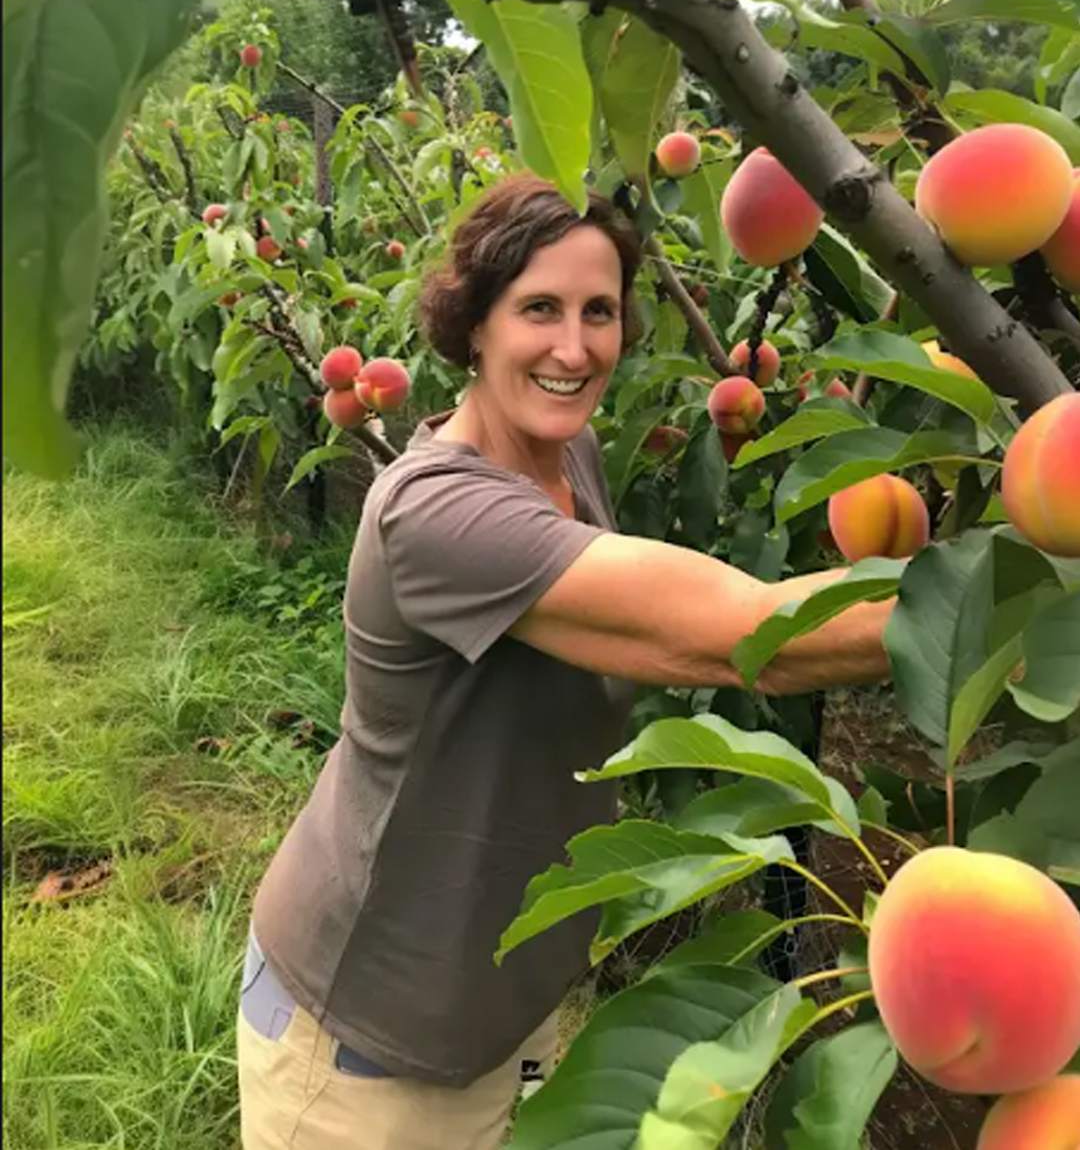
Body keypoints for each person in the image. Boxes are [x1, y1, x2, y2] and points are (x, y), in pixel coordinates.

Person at [236, 171, 893, 1150]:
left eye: (600, 312)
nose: (575, 349)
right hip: (367, 1040)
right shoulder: (438, 513)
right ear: (474, 324)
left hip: (502, 993)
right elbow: (749, 634)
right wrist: (996, 581)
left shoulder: (567, 455)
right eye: (538, 308)